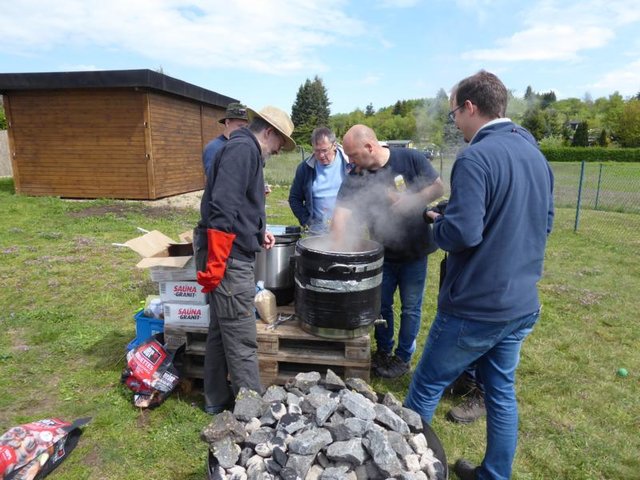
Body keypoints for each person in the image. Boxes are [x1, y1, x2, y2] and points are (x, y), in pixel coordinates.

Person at [404, 70, 554, 480]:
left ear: (470, 107)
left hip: (476, 307)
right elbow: (544, 221)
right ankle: (494, 474)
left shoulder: (475, 156)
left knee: (425, 388)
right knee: (501, 393)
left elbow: (464, 233)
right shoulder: (534, 154)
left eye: (454, 112)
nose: (454, 122)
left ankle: (403, 469)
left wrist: (438, 225)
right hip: (521, 303)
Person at [195, 106, 296, 414]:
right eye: (280, 144)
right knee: (241, 335)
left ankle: (215, 400)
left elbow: (241, 202)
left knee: (220, 329)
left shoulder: (244, 148)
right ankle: (251, 412)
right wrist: (217, 262)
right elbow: (223, 206)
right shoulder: (243, 150)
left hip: (229, 249)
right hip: (227, 257)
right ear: (269, 132)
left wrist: (257, 231)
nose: (279, 152)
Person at [331, 124, 444, 378]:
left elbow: (439, 188)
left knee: (411, 308)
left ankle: (403, 358)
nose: (350, 162)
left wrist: (413, 200)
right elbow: (340, 215)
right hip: (381, 254)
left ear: (370, 147)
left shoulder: (410, 159)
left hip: (415, 252)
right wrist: (335, 252)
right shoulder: (356, 175)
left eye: (353, 155)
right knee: (381, 306)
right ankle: (383, 351)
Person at [288, 127, 350, 234]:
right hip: (318, 231)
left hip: (347, 229)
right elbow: (294, 199)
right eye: (317, 151)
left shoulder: (349, 163)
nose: (321, 155)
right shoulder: (305, 168)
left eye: (325, 150)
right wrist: (307, 221)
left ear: (334, 145)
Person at [202, 102, 249, 176]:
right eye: (240, 126)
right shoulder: (213, 148)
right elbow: (213, 178)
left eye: (246, 127)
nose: (244, 130)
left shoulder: (245, 146)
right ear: (227, 123)